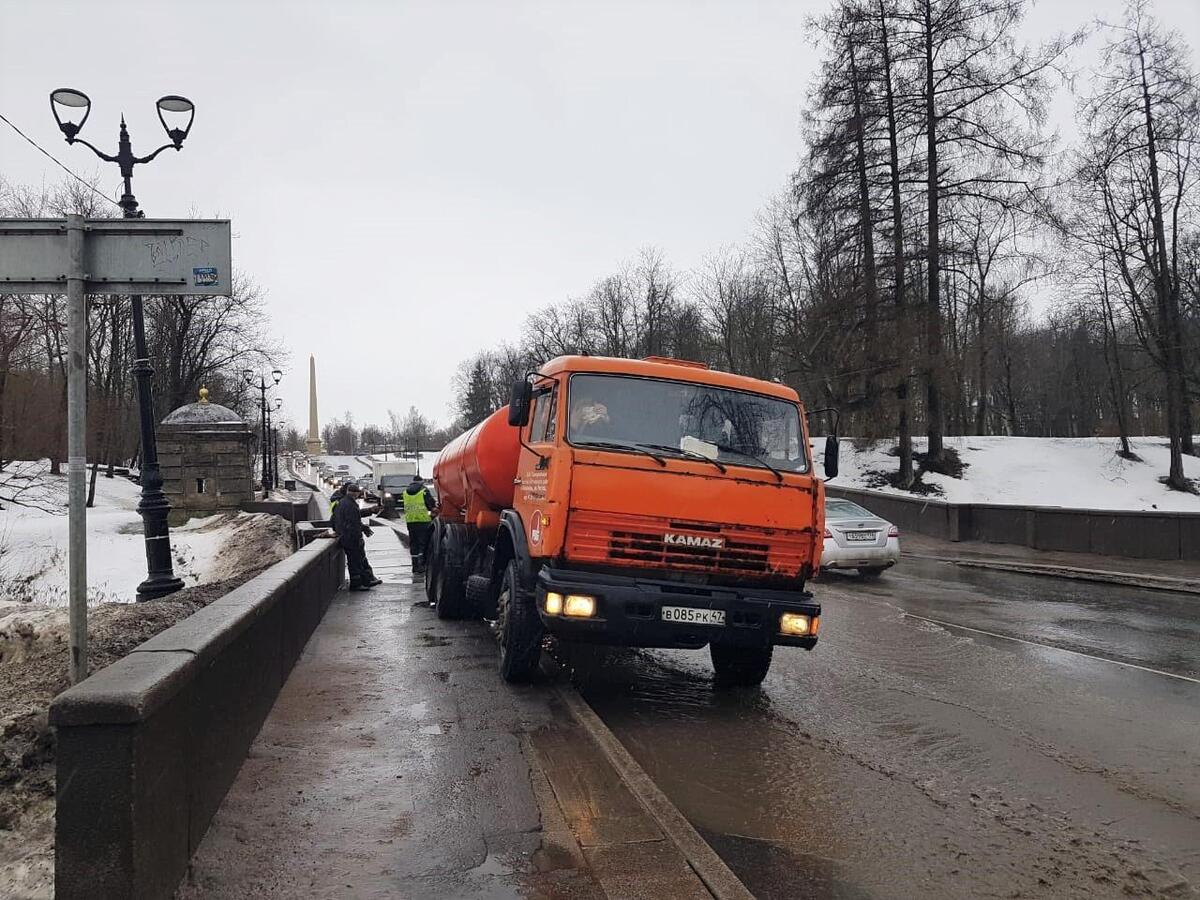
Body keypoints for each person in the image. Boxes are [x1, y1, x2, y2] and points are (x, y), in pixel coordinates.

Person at [332, 482, 382, 590]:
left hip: (347, 535)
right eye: (357, 493)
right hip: (350, 537)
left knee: (358, 559)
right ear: (353, 493)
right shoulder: (349, 504)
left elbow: (354, 516)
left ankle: (365, 580)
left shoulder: (344, 502)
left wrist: (369, 511)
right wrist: (361, 530)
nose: (358, 495)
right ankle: (356, 584)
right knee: (354, 561)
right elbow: (353, 521)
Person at [402, 474, 436, 573]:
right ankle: (422, 565)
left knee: (413, 544)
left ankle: (415, 566)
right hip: (423, 521)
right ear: (421, 482)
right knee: (423, 544)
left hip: (411, 522)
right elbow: (432, 505)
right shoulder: (424, 491)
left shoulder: (405, 492)